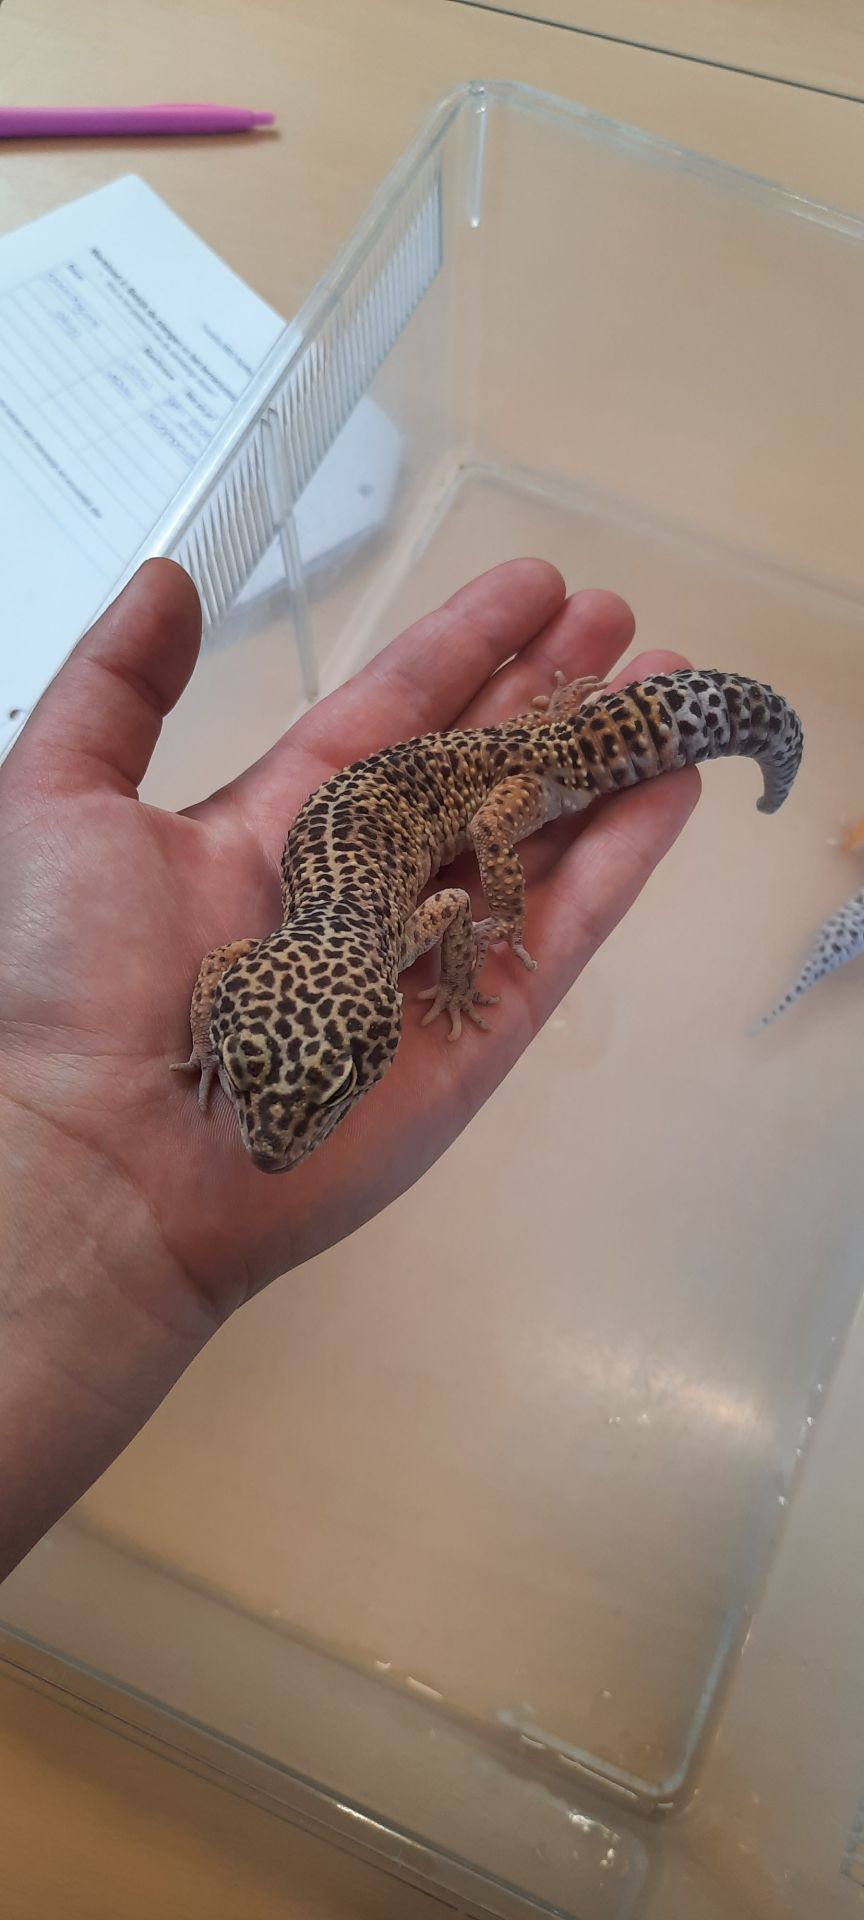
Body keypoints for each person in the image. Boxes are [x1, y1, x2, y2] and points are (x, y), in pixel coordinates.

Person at [0, 557, 696, 1580]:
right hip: (421, 795)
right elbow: (225, 971)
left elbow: (450, 905)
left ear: (374, 1034)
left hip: (463, 782)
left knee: (506, 815)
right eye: (274, 1096)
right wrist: (206, 1047)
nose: (275, 1144)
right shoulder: (272, 964)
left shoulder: (389, 941)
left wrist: (465, 971)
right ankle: (573, 734)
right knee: (514, 776)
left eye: (315, 1102)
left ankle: (599, 734)